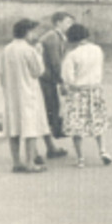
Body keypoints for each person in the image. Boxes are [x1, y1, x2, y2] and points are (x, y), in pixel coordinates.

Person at [0, 19, 50, 173]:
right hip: (28, 92)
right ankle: (30, 163)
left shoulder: (7, 49)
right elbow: (37, 71)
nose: (34, 35)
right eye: (33, 31)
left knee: (14, 127)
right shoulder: (29, 50)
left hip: (12, 93)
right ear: (27, 32)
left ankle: (16, 162)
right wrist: (39, 54)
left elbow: (1, 74)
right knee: (30, 127)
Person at [60, 23, 111, 169]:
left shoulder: (72, 55)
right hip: (95, 91)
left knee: (77, 125)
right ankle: (103, 151)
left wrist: (66, 87)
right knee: (97, 121)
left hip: (78, 92)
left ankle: (81, 158)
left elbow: (68, 78)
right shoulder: (97, 49)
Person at [37, 11, 74, 160]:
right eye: (67, 22)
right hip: (45, 81)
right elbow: (55, 62)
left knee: (49, 111)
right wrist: (63, 82)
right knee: (46, 112)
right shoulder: (52, 37)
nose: (70, 26)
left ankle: (51, 145)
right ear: (58, 23)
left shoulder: (57, 37)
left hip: (47, 80)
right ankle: (41, 149)